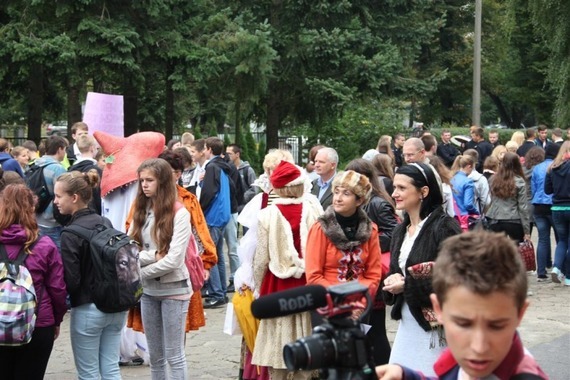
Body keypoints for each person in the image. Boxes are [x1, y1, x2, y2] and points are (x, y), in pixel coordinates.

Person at [375, 231, 547, 380]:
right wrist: (407, 376)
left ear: (520, 313)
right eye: (463, 324)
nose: (479, 347)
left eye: (496, 326)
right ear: (438, 309)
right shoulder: (463, 358)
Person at [382, 163, 461, 376]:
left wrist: (407, 284)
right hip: (408, 322)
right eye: (394, 187)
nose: (394, 193)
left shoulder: (444, 226)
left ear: (423, 192)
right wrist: (391, 279)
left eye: (401, 188)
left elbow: (456, 276)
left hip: (437, 327)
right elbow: (396, 270)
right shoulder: (400, 230)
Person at [251, 161, 324, 380]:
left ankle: (280, 374)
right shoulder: (314, 207)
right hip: (309, 280)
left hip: (278, 282)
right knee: (306, 329)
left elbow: (261, 257)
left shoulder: (268, 214)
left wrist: (257, 284)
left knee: (278, 335)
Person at [56, 170, 126, 379]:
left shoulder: (70, 233)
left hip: (88, 309)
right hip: (115, 306)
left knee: (88, 374)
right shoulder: (105, 222)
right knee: (111, 369)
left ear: (74, 198)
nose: (55, 201)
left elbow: (73, 281)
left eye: (59, 196)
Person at [128, 158, 192, 378]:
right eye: (142, 180)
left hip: (174, 289)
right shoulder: (140, 209)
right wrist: (153, 255)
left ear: (163, 181)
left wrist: (140, 271)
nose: (144, 185)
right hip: (147, 292)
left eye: (150, 180)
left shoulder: (180, 213)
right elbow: (130, 250)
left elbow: (174, 259)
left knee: (174, 354)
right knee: (155, 356)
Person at [0, 184, 67, 380]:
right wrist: (56, 320)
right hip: (37, 323)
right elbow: (57, 289)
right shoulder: (44, 245)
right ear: (31, 209)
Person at [344, 159, 398, 365]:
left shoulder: (377, 202)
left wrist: (365, 241)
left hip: (372, 271)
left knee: (375, 328)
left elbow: (394, 233)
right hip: (359, 271)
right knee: (366, 328)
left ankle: (384, 369)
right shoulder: (360, 200)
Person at [33, 135, 69, 251]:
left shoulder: (35, 164)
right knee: (55, 257)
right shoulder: (58, 169)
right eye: (65, 149)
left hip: (36, 216)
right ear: (59, 149)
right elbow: (64, 193)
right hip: (52, 221)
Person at [486, 152, 531, 244]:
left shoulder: (493, 179)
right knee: (517, 251)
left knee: (496, 251)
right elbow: (523, 207)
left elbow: (490, 200)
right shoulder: (519, 181)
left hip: (495, 218)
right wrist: (527, 231)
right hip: (513, 218)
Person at [531, 144, 558, 282]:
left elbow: (533, 188)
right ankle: (560, 268)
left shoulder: (537, 168)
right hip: (554, 204)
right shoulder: (558, 166)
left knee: (542, 239)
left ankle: (541, 271)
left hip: (539, 206)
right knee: (561, 238)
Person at [545, 140, 570, 286]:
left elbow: (548, 190)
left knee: (562, 241)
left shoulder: (552, 168)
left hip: (557, 209)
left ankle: (556, 267)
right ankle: (568, 277)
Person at [68, 134, 103, 215]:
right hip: (93, 215)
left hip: (74, 214)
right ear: (92, 148)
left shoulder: (70, 170)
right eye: (96, 148)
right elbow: (99, 198)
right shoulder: (97, 171)